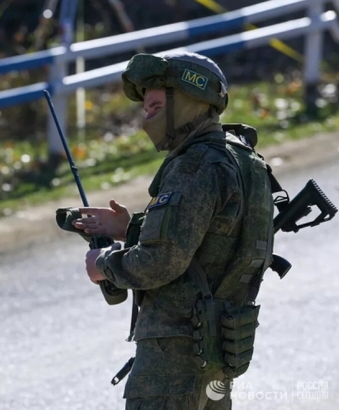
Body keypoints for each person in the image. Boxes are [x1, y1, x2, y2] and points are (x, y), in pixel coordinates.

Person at [72, 51, 275, 409]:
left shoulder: (194, 164)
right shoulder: (245, 161)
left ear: (187, 99)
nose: (146, 117)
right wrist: (131, 228)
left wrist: (103, 264)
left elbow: (161, 261)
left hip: (174, 356)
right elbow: (215, 240)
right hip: (216, 351)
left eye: (153, 105)